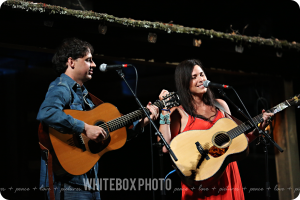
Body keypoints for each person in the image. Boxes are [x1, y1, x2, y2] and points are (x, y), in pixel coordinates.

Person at [37, 38, 159, 200]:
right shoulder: (62, 87)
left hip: (89, 183)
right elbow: (46, 112)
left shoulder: (87, 97)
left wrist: (143, 122)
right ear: (71, 62)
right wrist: (85, 128)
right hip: (67, 185)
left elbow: (112, 137)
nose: (94, 64)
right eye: (88, 60)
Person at [158, 59, 273, 200]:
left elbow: (239, 141)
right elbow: (165, 147)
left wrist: (259, 129)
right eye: (194, 77)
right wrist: (164, 110)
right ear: (184, 83)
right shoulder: (179, 113)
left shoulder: (220, 105)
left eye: (201, 74)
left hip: (227, 174)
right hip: (201, 178)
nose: (200, 79)